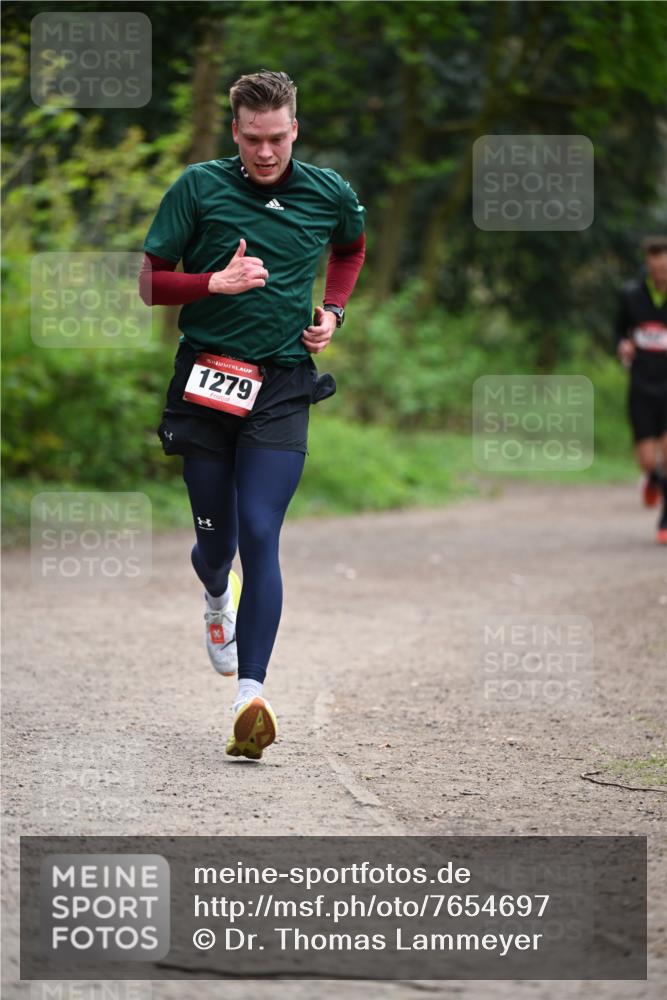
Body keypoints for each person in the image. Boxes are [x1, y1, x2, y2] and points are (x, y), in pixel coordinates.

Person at [139, 71, 365, 758]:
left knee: (261, 531)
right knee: (219, 543)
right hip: (206, 383)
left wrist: (332, 310)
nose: (264, 153)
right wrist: (214, 282)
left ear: (294, 129)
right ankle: (215, 592)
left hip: (282, 386)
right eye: (251, 139)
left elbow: (350, 248)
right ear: (233, 132)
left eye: (276, 138)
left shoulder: (330, 193)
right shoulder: (199, 186)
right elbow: (150, 280)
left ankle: (251, 694)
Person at [615, 236, 667, 545]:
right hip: (642, 385)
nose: (661, 275)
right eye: (656, 268)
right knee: (648, 460)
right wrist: (621, 344)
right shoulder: (631, 296)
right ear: (648, 266)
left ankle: (665, 520)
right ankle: (652, 478)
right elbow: (618, 331)